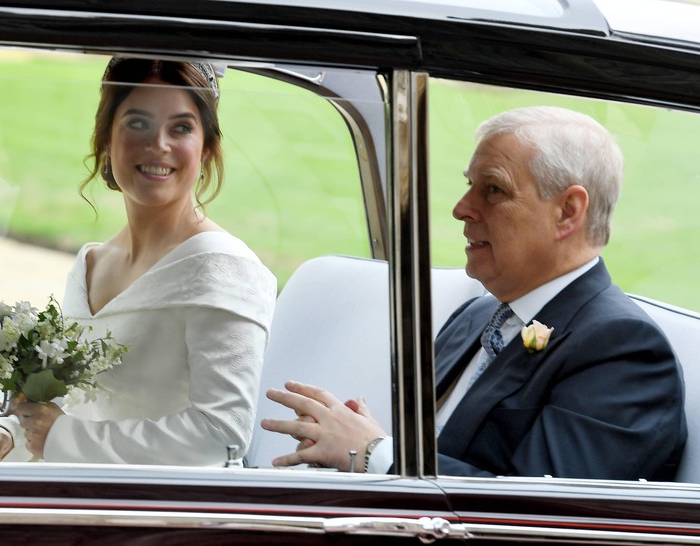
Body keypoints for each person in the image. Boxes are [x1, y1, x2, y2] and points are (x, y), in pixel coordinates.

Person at [261, 106, 687, 480]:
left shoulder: (624, 354)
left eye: (494, 189)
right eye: (469, 185)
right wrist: (352, 440)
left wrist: (374, 453)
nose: (461, 208)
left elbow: (540, 517)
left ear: (567, 212)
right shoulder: (478, 316)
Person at [0, 57, 277, 465]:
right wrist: (11, 434)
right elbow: (78, 404)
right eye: (137, 123)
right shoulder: (90, 264)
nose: (158, 144)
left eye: (181, 128)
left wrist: (63, 439)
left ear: (207, 148)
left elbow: (223, 434)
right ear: (106, 138)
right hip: (77, 498)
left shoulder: (225, 268)